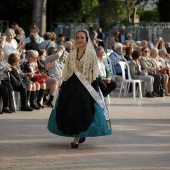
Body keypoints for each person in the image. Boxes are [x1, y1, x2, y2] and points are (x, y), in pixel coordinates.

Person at [47, 29, 112, 149]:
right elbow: (67, 70)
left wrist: (96, 87)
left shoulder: (91, 55)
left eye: (82, 37)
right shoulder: (71, 53)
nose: (80, 40)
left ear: (87, 39)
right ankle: (77, 134)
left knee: (83, 109)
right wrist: (63, 83)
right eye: (78, 38)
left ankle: (77, 137)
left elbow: (94, 73)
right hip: (71, 84)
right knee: (68, 108)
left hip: (87, 85)